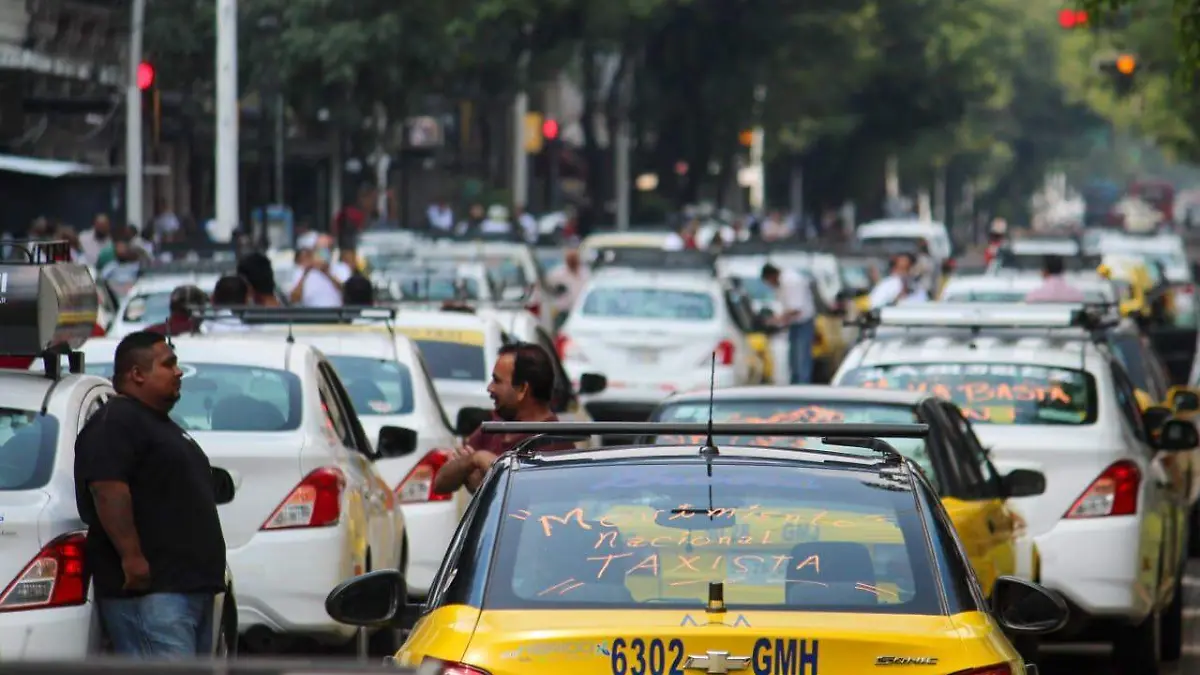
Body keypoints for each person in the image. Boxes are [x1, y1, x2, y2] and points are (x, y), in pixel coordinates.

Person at [73, 331, 226, 657]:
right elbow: (107, 489)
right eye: (168, 364)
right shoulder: (115, 423)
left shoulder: (157, 424)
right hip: (152, 595)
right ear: (137, 374)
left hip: (184, 590)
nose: (179, 371)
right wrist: (132, 557)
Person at [432, 343, 573, 494]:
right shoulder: (494, 428)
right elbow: (440, 484)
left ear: (522, 389)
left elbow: (526, 500)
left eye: (497, 381)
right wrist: (474, 459)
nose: (490, 388)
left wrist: (489, 475)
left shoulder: (555, 446)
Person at [761, 263, 824, 384]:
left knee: (801, 362)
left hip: (803, 324)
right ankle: (796, 387)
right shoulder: (783, 282)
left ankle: (802, 389)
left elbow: (796, 308)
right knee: (794, 362)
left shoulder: (791, 281)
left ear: (771, 276)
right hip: (795, 325)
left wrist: (776, 320)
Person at [289, 234, 352, 308]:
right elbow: (294, 299)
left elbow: (347, 293)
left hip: (336, 315)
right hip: (311, 315)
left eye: (326, 249)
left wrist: (327, 273)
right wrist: (305, 273)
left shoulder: (342, 268)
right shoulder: (301, 271)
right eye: (319, 249)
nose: (322, 253)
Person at [545, 247, 588, 315]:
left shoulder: (585, 273)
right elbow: (546, 285)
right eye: (570, 259)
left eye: (574, 259)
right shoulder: (558, 273)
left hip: (580, 310)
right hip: (563, 311)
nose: (572, 261)